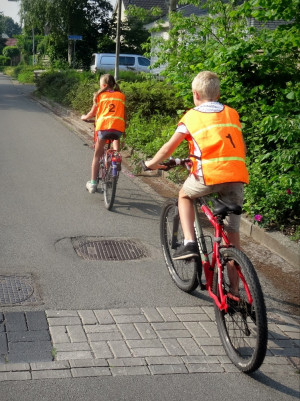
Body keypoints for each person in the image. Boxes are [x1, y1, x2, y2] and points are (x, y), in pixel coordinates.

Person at [145, 71, 249, 299]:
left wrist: (151, 163)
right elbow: (233, 146)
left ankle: (190, 242)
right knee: (232, 237)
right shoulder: (231, 114)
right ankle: (234, 292)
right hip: (236, 176)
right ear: (218, 93)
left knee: (184, 195)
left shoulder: (191, 117)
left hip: (208, 177)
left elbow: (167, 148)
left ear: (195, 94)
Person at [81, 74, 126, 193]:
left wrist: (84, 117)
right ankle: (117, 156)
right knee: (115, 135)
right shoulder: (121, 96)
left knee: (97, 155)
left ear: (104, 85)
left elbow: (92, 113)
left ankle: (93, 183)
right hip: (118, 127)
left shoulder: (100, 96)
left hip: (103, 127)